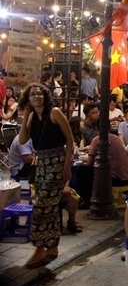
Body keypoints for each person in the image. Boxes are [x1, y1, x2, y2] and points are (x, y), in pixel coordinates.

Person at [17, 82, 75, 268]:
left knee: (41, 206)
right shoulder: (33, 116)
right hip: (41, 163)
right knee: (48, 208)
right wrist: (26, 114)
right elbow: (23, 139)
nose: (37, 96)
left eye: (40, 93)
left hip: (57, 162)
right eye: (33, 94)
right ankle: (51, 247)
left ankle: (40, 248)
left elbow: (70, 139)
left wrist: (67, 165)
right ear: (29, 99)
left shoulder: (55, 112)